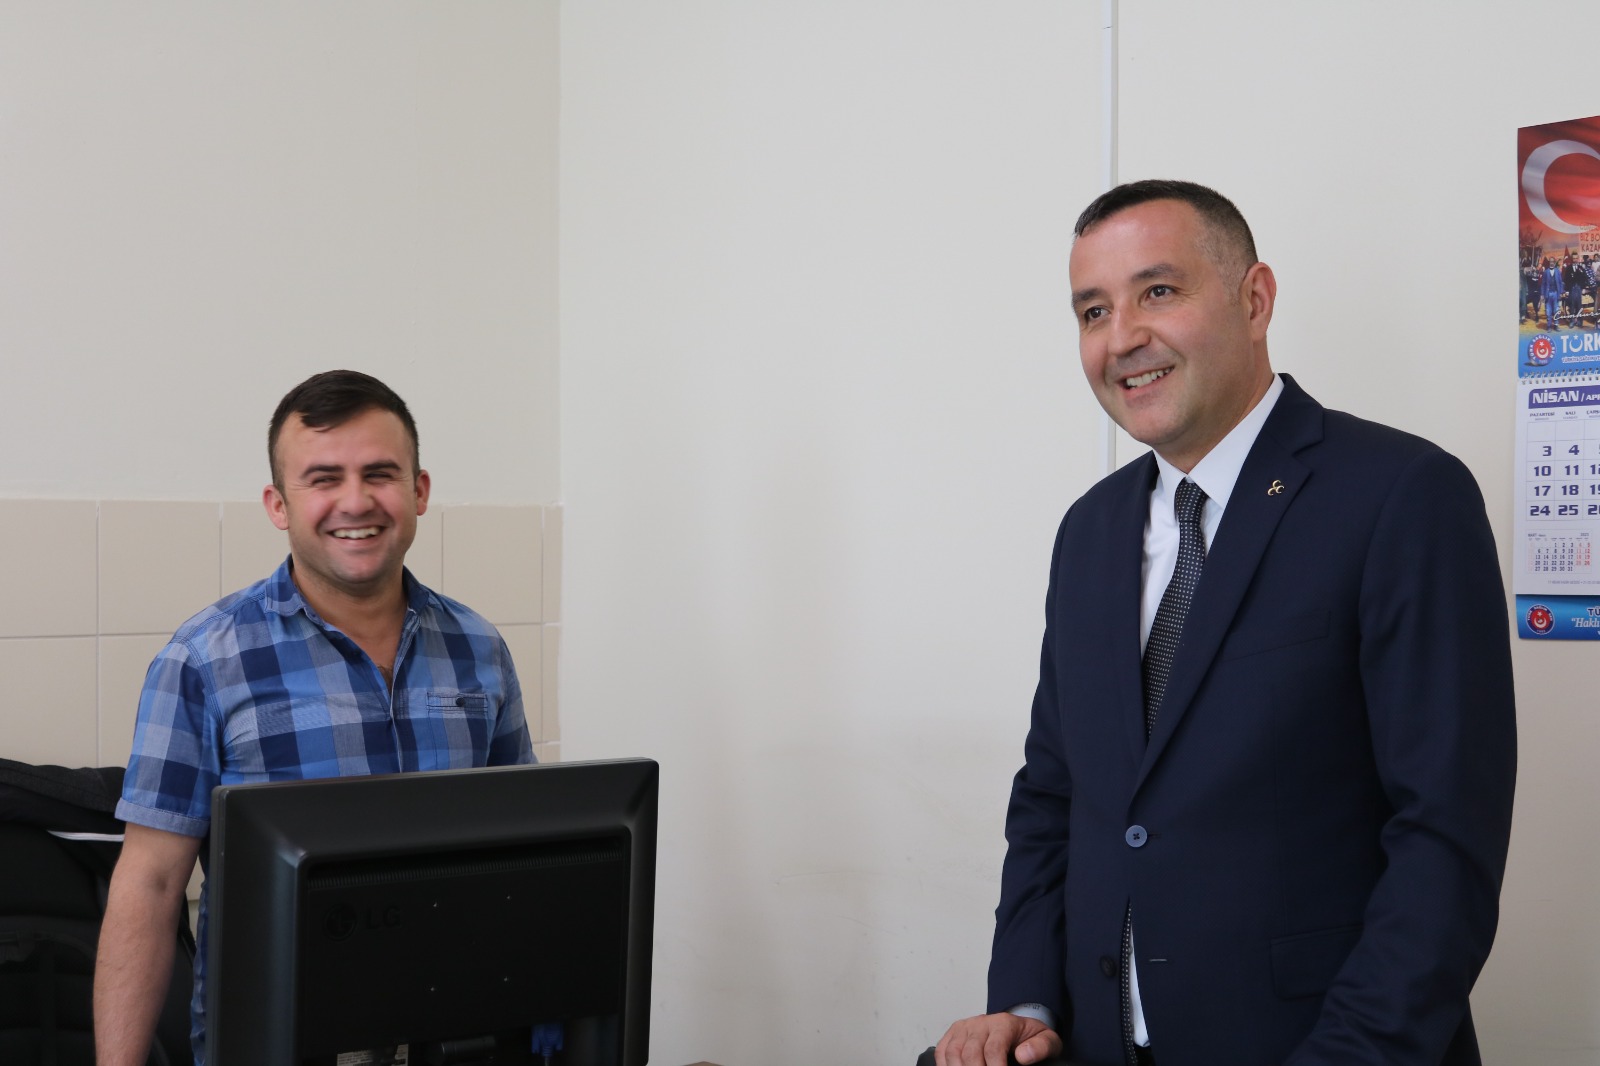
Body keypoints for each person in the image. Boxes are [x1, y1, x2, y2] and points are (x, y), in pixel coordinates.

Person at [935, 181, 1515, 1066]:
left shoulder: (1402, 495)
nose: (1122, 338)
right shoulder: (1089, 532)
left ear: (1255, 300)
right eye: (1094, 311)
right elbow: (1053, 800)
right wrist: (1026, 1000)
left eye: (1158, 291)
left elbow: (1444, 840)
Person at [93, 370, 534, 1066]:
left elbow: (527, 850)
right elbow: (149, 884)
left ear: (419, 491)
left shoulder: (479, 648)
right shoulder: (204, 659)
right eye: (324, 478)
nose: (355, 501)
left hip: (456, 1034)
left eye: (380, 474)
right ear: (279, 504)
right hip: (275, 1042)